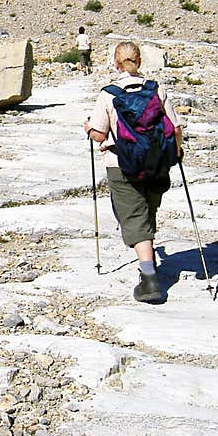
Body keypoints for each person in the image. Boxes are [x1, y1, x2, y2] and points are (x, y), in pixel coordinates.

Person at [83, 41, 183, 303]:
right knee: (148, 211)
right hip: (155, 162)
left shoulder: (109, 93)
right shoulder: (155, 89)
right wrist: (176, 153)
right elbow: (175, 126)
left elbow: (99, 134)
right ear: (139, 62)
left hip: (121, 164)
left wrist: (87, 128)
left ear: (116, 64)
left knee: (134, 217)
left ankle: (149, 277)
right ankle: (148, 256)